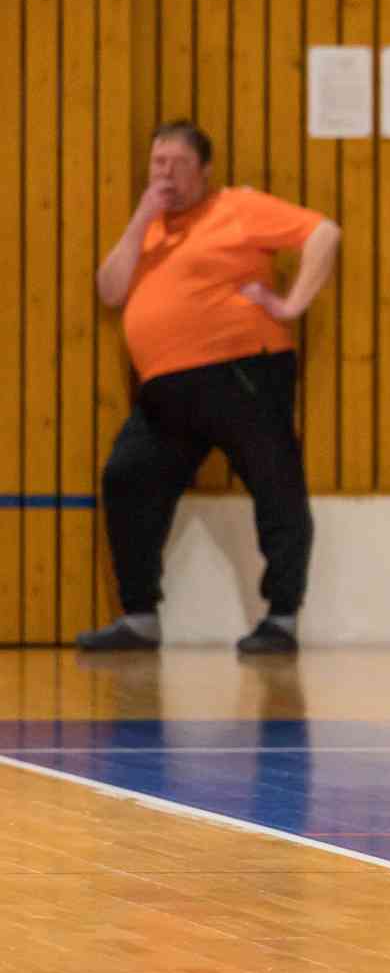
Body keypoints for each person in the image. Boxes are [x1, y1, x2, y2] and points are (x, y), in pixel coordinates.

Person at [77, 121, 341, 656]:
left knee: (276, 484)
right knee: (126, 477)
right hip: (165, 389)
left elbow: (324, 233)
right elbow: (109, 290)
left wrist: (291, 305)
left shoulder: (236, 207)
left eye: (177, 163)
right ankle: (139, 617)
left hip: (241, 373)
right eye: (158, 163)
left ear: (204, 170)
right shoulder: (148, 229)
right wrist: (142, 218)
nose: (166, 173)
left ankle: (282, 617)